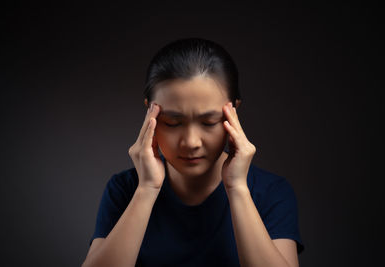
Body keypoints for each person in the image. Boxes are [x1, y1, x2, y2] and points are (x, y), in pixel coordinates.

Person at [82, 38, 304, 267]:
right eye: (172, 122)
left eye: (209, 122)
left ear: (233, 113)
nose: (190, 142)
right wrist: (147, 189)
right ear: (150, 113)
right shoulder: (125, 189)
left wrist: (237, 188)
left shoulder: (270, 192)